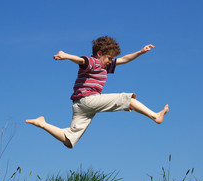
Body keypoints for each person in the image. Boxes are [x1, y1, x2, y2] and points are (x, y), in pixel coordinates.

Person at [26, 36, 169, 148]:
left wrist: (140, 52)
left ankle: (42, 124)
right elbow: (80, 60)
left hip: (79, 106)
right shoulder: (93, 62)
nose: (110, 61)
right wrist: (66, 55)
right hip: (88, 99)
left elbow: (124, 59)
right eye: (108, 58)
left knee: (69, 140)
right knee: (127, 99)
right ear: (99, 54)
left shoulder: (105, 65)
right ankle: (155, 116)